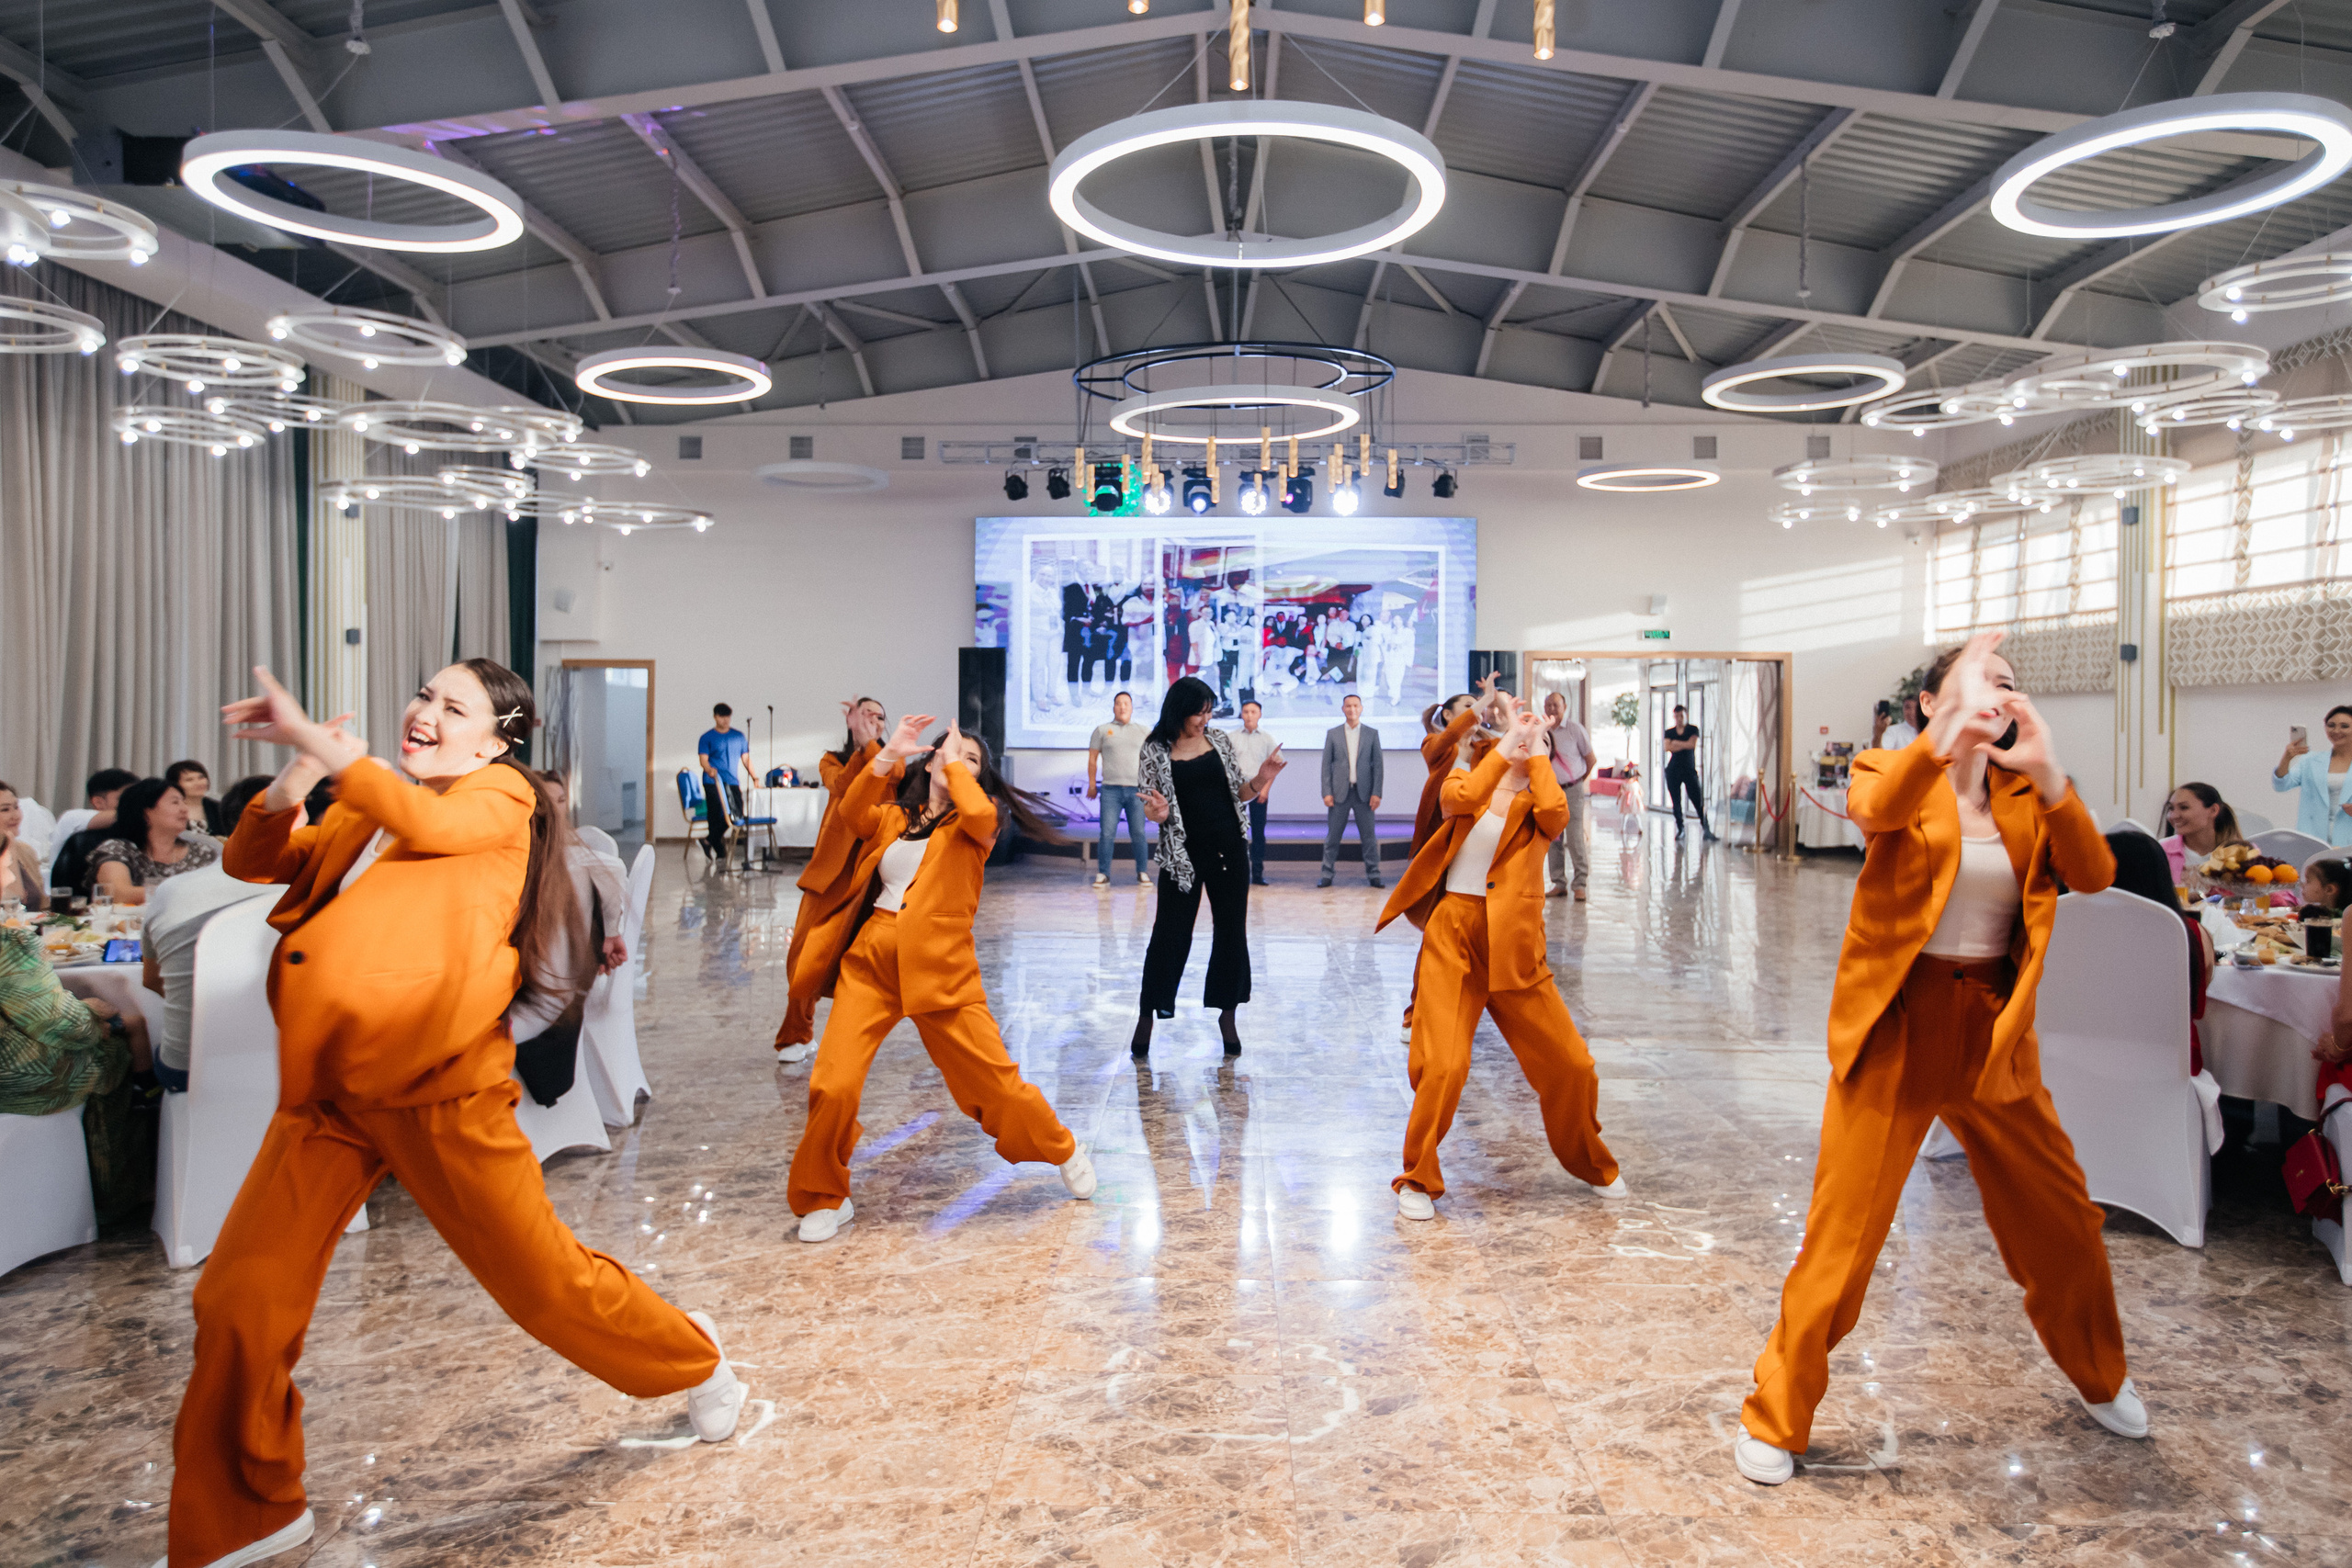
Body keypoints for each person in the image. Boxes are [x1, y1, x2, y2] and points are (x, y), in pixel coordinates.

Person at [165, 660, 744, 1568]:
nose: (425, 713)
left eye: (452, 706)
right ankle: (250, 1509)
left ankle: (697, 1360)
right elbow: (253, 861)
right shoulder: (370, 805)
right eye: (424, 696)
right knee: (238, 1299)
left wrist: (328, 743)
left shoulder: (500, 801)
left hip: (440, 1087)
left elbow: (433, 823)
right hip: (333, 1089)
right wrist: (296, 778)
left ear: (498, 737)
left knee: (543, 1286)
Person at [1733, 631, 2138, 1490]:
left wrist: (2055, 773)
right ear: (1930, 700)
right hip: (1900, 1023)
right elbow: (1875, 813)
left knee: (2063, 1219)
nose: (2000, 693)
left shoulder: (2029, 790)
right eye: (1977, 680)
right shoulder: (1892, 768)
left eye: (2008, 683)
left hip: (1992, 1027)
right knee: (1842, 1236)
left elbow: (2095, 875)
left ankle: (2101, 1372)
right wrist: (1937, 744)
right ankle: (1777, 1411)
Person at [785, 713, 1095, 1241]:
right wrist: (887, 754)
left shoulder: (979, 823)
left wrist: (955, 764)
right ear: (926, 763)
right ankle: (824, 1195)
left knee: (997, 1088)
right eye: (948, 754)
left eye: (971, 760)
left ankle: (1063, 1146)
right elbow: (852, 810)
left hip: (943, 971)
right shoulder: (893, 819)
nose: (957, 763)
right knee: (831, 1084)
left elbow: (975, 806)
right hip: (873, 964)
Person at [1377, 693, 1623, 1221]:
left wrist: (1534, 752)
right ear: (1497, 745)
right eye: (1517, 740)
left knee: (1573, 1065)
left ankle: (1592, 1161)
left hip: (1515, 947)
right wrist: (1507, 741)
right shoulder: (1464, 780)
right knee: (1443, 1065)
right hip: (1454, 937)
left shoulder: (1540, 800)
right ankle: (1417, 1178)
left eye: (1538, 741)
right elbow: (1459, 801)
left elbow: (1558, 813)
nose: (1527, 743)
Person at [1133, 677, 1287, 1059]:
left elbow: (1239, 792)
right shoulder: (1154, 748)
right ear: (1179, 710)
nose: (1205, 719)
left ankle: (1227, 1014)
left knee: (1231, 933)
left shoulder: (1219, 739)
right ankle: (1147, 1014)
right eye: (1199, 712)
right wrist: (1158, 813)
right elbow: (1150, 805)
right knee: (1170, 934)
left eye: (1208, 712)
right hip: (1181, 857)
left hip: (1228, 851)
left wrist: (1262, 778)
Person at [140, 775, 283, 1092]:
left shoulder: (173, 891)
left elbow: (152, 980)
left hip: (190, 1066)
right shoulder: (321, 888)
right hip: (289, 1062)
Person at [0, 919, 152, 1221]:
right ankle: (115, 1197)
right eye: (6, 868)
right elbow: (59, 1022)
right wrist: (94, 1012)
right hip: (17, 1081)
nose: (12, 875)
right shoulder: (9, 944)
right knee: (112, 1053)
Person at [775, 697, 887, 1064]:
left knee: (869, 961)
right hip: (832, 871)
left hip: (875, 872)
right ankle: (796, 1034)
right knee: (805, 954)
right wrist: (862, 748)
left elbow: (891, 774)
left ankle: (851, 1039)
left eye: (879, 717)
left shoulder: (892, 760)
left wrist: (871, 746)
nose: (873, 721)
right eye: (865, 714)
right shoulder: (832, 759)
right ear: (851, 720)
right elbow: (842, 786)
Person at [2105, 828, 2213, 1077]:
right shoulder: (2189, 933)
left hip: (2073, 1066)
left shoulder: (2067, 927)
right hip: (2166, 1068)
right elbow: (2197, 998)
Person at [90, 778, 220, 907]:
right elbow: (118, 894)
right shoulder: (118, 849)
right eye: (175, 803)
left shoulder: (203, 851)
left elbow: (223, 891)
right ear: (146, 813)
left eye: (184, 802)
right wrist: (187, 891)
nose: (185, 809)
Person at [1318, 694, 1385, 888]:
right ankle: (1326, 875)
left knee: (1369, 838)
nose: (1352, 709)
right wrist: (1326, 792)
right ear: (1343, 709)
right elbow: (1326, 766)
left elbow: (1378, 767)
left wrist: (1377, 792)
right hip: (1339, 793)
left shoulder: (1371, 734)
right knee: (1332, 838)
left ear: (1361, 708)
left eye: (1356, 705)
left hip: (1364, 795)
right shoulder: (1333, 733)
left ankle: (1374, 875)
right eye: (1348, 706)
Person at [47, 766, 141, 897]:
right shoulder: (72, 817)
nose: (133, 804)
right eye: (125, 798)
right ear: (98, 802)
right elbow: (127, 815)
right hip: (65, 900)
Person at [1088, 691, 1148, 887]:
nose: (1123, 707)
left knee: (1139, 833)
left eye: (1126, 703)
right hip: (1110, 791)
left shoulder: (1143, 731)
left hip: (1136, 791)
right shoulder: (1102, 730)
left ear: (1132, 708)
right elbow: (1092, 759)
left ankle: (1142, 872)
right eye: (1119, 703)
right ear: (1113, 707)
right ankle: (1103, 873)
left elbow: (1152, 760)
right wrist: (1091, 784)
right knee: (1106, 833)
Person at [1541, 691, 1595, 902]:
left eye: (1555, 705)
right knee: (1553, 838)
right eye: (1548, 705)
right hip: (1551, 790)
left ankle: (1580, 883)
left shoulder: (1575, 730)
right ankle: (1558, 883)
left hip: (1572, 790)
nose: (1552, 709)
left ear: (1564, 707)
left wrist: (1576, 782)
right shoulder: (1542, 731)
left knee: (1574, 838)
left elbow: (1590, 759)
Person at [2272, 706, 2352, 847]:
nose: (2336, 731)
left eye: (2344, 726)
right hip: (2313, 836)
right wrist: (2287, 758)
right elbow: (2281, 785)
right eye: (2331, 725)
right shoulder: (2310, 761)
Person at [2157, 781, 2248, 884]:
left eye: (2184, 808)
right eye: (2171, 808)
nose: (2173, 816)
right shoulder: (2160, 850)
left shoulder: (2244, 853)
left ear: (2213, 810)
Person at [1227, 700, 1278, 886]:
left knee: (1258, 833)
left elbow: (1274, 767)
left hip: (1259, 791)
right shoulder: (1231, 737)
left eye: (1253, 711)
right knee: (1235, 833)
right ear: (1241, 714)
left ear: (1260, 714)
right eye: (1246, 711)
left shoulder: (1266, 738)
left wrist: (1265, 789)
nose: (1249, 715)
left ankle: (1257, 874)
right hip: (1236, 791)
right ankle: (1235, 871)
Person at [695, 704, 755, 860]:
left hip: (732, 781)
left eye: (728, 716)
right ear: (715, 717)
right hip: (712, 781)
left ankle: (708, 840)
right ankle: (720, 851)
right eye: (722, 717)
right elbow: (703, 760)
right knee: (715, 815)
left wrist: (755, 777)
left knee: (736, 815)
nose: (725, 720)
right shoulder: (707, 737)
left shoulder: (739, 736)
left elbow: (746, 759)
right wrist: (710, 770)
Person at [1663, 705, 1715, 840]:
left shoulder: (1693, 729)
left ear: (1686, 715)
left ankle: (1706, 828)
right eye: (1676, 716)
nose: (1679, 719)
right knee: (1676, 801)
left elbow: (1691, 745)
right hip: (1673, 770)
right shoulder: (1669, 732)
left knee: (1697, 799)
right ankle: (1680, 829)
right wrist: (1680, 744)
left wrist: (1676, 743)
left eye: (1681, 716)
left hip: (1689, 770)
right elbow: (1667, 747)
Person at [1, 781, 46, 911]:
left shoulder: (25, 851)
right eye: (5, 809)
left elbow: (43, 906)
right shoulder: (12, 848)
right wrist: (9, 850)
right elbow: (11, 907)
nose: (15, 816)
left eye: (16, 807)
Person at [166, 760, 228, 838]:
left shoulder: (218, 808)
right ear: (175, 784)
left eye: (201, 777)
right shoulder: (168, 810)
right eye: (189, 780)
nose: (198, 783)